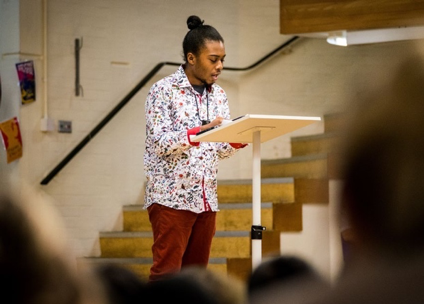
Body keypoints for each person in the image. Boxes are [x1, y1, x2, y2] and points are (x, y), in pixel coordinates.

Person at [144, 15, 246, 281]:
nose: (220, 66)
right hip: (171, 198)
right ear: (192, 58)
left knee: (196, 279)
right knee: (166, 275)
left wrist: (238, 138)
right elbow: (160, 144)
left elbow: (218, 149)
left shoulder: (219, 94)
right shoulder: (163, 90)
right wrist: (199, 132)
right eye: (214, 59)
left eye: (223, 59)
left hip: (206, 199)